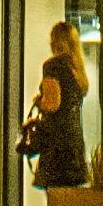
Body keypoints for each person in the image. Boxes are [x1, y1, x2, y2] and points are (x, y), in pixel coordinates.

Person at [25, 20, 91, 189]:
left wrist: (39, 102)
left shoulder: (52, 66)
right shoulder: (77, 69)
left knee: (56, 204)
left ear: (55, 41)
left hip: (57, 147)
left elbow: (52, 104)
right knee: (68, 204)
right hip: (74, 146)